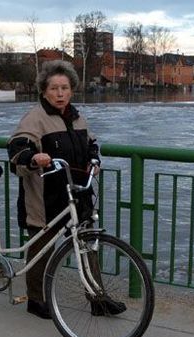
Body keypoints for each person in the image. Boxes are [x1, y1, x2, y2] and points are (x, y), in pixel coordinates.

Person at [7, 60, 125, 319]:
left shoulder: (77, 117)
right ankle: (36, 300)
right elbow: (17, 148)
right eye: (54, 88)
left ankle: (98, 299)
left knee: (88, 245)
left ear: (72, 90)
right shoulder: (35, 118)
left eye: (65, 88)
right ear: (44, 91)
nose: (60, 93)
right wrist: (32, 158)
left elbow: (91, 143)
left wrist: (95, 160)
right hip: (44, 196)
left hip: (76, 193)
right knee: (41, 250)